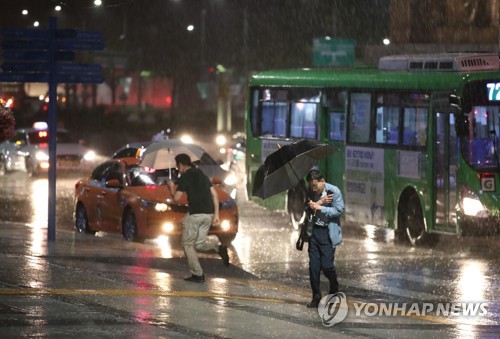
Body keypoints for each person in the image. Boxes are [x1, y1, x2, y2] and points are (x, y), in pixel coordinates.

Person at [167, 153, 230, 283]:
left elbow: (176, 198)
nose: (177, 169)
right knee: (199, 244)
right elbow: (214, 195)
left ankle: (198, 274)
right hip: (208, 215)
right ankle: (218, 248)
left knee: (187, 244)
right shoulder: (203, 175)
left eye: (177, 166)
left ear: (181, 165)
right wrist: (216, 215)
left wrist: (171, 187)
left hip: (195, 214)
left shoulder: (185, 177)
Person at [304, 169, 345, 308]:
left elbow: (339, 210)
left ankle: (334, 286)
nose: (314, 189)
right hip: (314, 232)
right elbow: (306, 208)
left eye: (316, 185)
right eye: (311, 186)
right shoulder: (310, 191)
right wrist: (314, 205)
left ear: (323, 181)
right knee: (314, 267)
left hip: (327, 233)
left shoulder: (333, 192)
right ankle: (316, 296)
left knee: (327, 266)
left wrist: (321, 207)